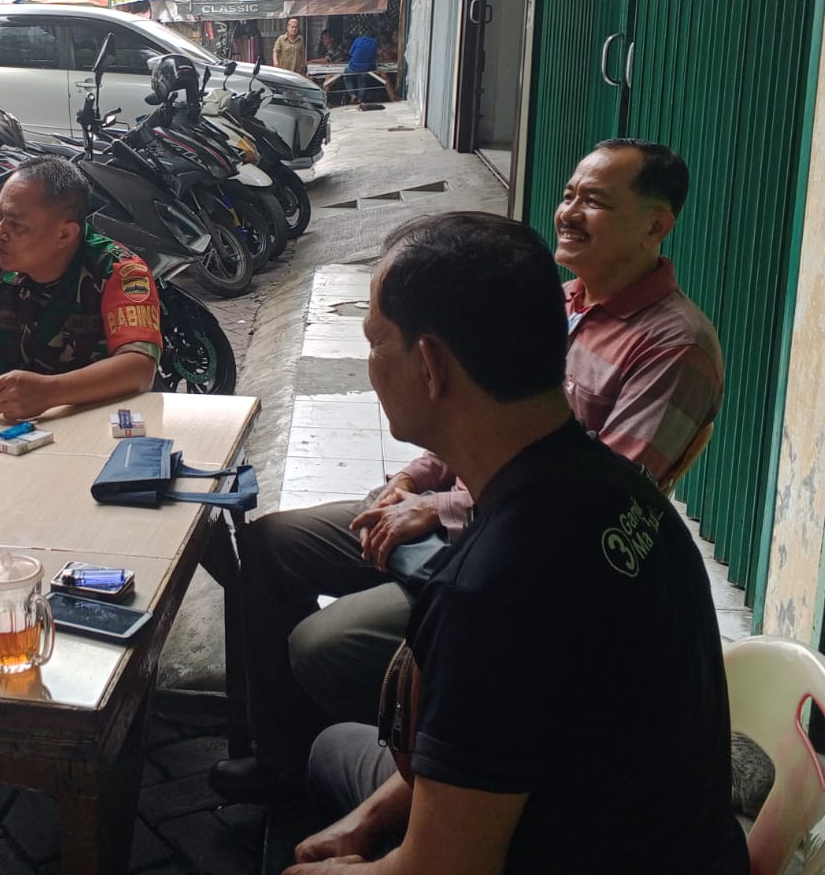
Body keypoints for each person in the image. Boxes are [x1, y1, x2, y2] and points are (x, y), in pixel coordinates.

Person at [213, 139, 723, 802]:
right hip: (471, 513)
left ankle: (374, 747)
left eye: (594, 201)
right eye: (569, 194)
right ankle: (286, 756)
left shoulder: (674, 348)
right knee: (271, 543)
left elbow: (600, 498)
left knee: (325, 647)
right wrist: (414, 481)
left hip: (515, 541)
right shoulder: (558, 302)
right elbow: (471, 411)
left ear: (657, 224)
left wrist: (439, 510)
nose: (569, 212)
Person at [284, 212, 746, 875]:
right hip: (670, 835)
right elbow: (500, 736)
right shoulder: (621, 488)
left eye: (375, 341)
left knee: (325, 769)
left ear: (431, 365)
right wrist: (367, 821)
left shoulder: (489, 594)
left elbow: (443, 870)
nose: (370, 364)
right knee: (338, 750)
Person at [0, 155, 162, 423]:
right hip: (14, 424)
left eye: (16, 225)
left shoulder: (118, 270)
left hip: (105, 420)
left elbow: (139, 366)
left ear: (65, 234)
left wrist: (51, 392)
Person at [342, 32, 381, 106]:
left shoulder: (358, 39)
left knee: (347, 76)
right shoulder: (375, 42)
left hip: (353, 66)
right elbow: (374, 56)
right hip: (365, 67)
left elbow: (351, 52)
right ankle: (359, 99)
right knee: (362, 81)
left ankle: (352, 95)